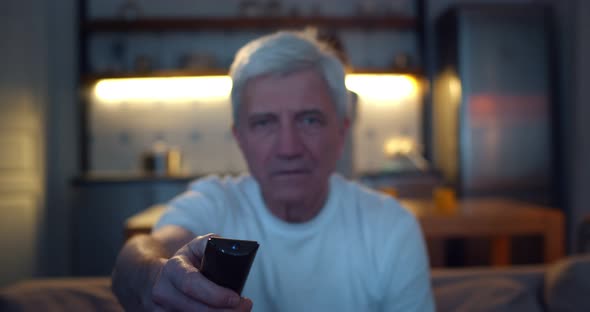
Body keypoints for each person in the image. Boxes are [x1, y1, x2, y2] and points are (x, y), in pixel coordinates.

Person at [111, 30, 435, 312]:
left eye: (309, 120)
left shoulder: (391, 227)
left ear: (342, 132)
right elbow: (140, 255)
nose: (289, 148)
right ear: (240, 138)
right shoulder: (217, 204)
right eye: (264, 123)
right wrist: (154, 276)